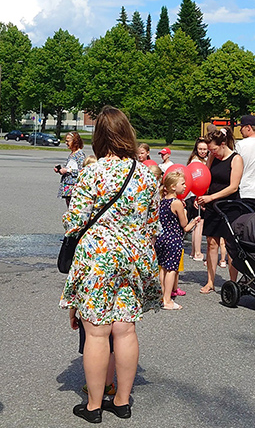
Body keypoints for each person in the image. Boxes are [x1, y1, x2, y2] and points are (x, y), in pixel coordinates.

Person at [59, 105, 162, 423]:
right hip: (132, 259)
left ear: (100, 137)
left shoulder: (92, 171)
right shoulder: (145, 173)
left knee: (97, 334)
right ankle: (121, 401)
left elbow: (73, 222)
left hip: (97, 260)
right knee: (126, 331)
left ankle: (93, 406)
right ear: (128, 134)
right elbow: (153, 225)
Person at [195, 127, 243, 294]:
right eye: (209, 150)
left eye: (213, 149)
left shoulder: (236, 159)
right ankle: (210, 281)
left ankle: (232, 282)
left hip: (230, 205)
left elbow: (233, 187)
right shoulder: (212, 157)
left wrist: (211, 197)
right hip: (213, 205)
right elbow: (206, 179)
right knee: (211, 243)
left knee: (231, 245)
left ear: (222, 144)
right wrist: (201, 196)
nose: (211, 153)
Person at [155, 170, 200, 310]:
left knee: (162, 268)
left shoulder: (162, 201)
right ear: (173, 187)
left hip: (161, 238)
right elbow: (184, 225)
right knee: (171, 270)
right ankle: (168, 300)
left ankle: (162, 296)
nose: (185, 186)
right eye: (182, 183)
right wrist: (192, 220)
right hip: (173, 240)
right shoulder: (177, 203)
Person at [186, 137, 209, 261]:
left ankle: (194, 251)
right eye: (200, 149)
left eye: (205, 149)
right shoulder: (197, 162)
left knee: (197, 223)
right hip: (198, 195)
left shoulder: (200, 160)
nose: (202, 151)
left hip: (197, 195)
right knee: (199, 223)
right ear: (196, 149)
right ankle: (198, 252)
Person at [56, 131, 86, 207]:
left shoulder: (80, 154)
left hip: (74, 186)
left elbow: (82, 171)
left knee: (73, 207)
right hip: (68, 185)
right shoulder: (72, 154)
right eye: (65, 141)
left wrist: (68, 170)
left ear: (75, 141)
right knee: (69, 206)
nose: (66, 143)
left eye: (68, 141)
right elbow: (70, 167)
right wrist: (60, 170)